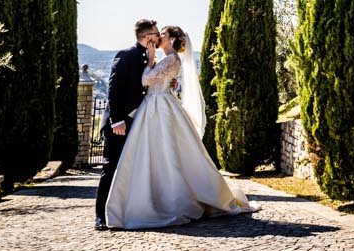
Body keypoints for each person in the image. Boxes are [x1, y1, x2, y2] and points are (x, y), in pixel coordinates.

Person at [104, 24, 259, 229]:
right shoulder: (167, 59)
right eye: (158, 33)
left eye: (163, 34)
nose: (159, 36)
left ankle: (171, 201)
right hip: (154, 106)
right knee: (156, 154)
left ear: (172, 40)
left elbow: (146, 79)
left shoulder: (170, 58)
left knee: (167, 152)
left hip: (159, 107)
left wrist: (150, 60)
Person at [94, 18, 158, 231]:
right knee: (110, 167)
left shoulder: (148, 58)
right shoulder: (126, 55)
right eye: (156, 34)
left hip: (137, 123)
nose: (158, 38)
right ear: (147, 37)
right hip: (119, 123)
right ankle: (100, 216)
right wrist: (117, 121)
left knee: (130, 168)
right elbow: (114, 89)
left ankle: (122, 211)